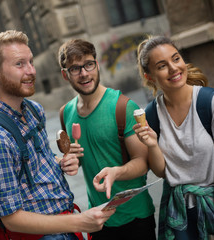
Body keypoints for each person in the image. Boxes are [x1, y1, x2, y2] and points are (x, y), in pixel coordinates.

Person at [0, 30, 115, 240]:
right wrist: (80, 221)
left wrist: (60, 164)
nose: (31, 71)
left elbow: (34, 168)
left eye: (30, 62)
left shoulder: (33, 110)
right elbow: (11, 218)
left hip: (66, 225)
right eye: (19, 64)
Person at [57, 39, 156, 240]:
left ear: (97, 64)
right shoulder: (65, 113)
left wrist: (116, 172)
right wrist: (66, 163)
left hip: (135, 217)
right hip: (97, 220)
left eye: (88, 64)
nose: (84, 73)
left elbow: (143, 163)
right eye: (75, 68)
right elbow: (74, 158)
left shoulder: (123, 107)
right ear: (65, 74)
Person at [134, 35, 214, 240]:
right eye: (162, 66)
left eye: (176, 59)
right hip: (179, 216)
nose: (174, 68)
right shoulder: (151, 114)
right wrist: (151, 145)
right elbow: (162, 172)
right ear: (149, 76)